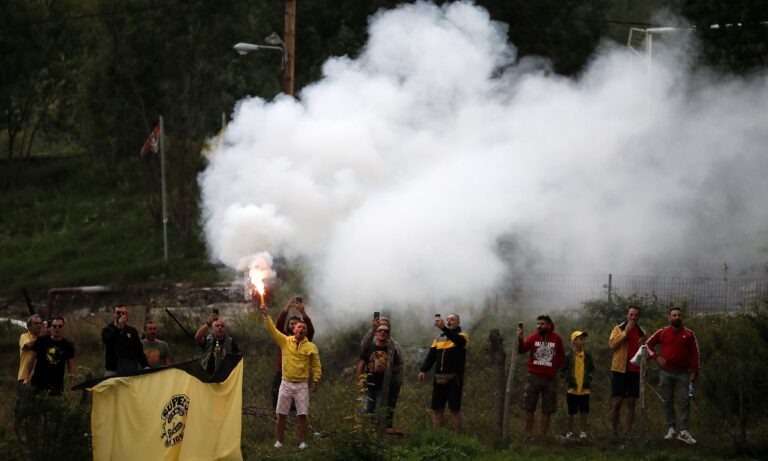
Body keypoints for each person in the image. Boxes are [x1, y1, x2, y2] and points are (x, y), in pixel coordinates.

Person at [260, 303, 321, 450]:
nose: (301, 329)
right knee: (282, 414)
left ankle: (302, 442)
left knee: (302, 414)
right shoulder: (285, 341)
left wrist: (315, 380)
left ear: (306, 332)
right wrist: (266, 315)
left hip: (302, 385)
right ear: (293, 330)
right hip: (286, 383)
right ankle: (279, 441)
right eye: (299, 327)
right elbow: (273, 330)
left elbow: (316, 365)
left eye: (304, 328)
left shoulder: (311, 347)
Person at [646, 307, 700, 444]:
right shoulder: (662, 332)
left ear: (682, 317)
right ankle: (671, 428)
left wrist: (694, 371)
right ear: (669, 318)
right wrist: (656, 357)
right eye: (674, 315)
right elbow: (647, 345)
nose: (677, 317)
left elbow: (695, 353)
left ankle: (684, 431)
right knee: (667, 400)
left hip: (684, 373)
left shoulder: (689, 334)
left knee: (685, 400)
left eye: (679, 315)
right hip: (666, 372)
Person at [418, 313, 469, 435]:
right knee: (437, 408)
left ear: (458, 322)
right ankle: (437, 437)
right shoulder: (438, 338)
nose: (449, 321)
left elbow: (459, 342)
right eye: (448, 319)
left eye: (452, 319)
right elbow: (431, 356)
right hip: (439, 377)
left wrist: (444, 329)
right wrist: (423, 370)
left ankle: (457, 438)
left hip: (454, 377)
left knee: (454, 408)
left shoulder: (462, 335)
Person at [518, 315, 565, 440]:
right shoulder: (533, 337)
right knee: (529, 407)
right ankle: (529, 435)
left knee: (547, 409)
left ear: (549, 325)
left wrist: (555, 369)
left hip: (550, 379)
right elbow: (521, 350)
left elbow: (561, 356)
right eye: (538, 323)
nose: (539, 326)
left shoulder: (557, 339)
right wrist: (520, 339)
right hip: (533, 377)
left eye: (542, 324)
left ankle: (543, 435)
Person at [271, 296, 315, 410]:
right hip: (282, 374)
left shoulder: (305, 339)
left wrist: (303, 312)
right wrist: (288, 307)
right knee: (278, 405)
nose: (294, 326)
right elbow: (278, 324)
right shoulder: (283, 338)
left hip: (299, 378)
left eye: (296, 324)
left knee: (298, 408)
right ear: (288, 326)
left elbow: (310, 330)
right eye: (291, 324)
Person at [608, 306, 646, 437]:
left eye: (636, 315)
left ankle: (627, 433)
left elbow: (644, 350)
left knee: (631, 402)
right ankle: (614, 431)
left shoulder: (642, 332)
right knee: (617, 402)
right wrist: (626, 333)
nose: (633, 317)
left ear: (638, 317)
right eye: (631, 314)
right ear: (627, 315)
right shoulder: (618, 328)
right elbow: (612, 345)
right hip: (619, 369)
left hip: (635, 370)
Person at [357, 323, 402, 428]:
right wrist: (361, 382)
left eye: (385, 331)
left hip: (383, 387)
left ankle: (376, 434)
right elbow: (361, 365)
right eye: (380, 330)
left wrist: (386, 369)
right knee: (365, 411)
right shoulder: (369, 348)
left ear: (388, 335)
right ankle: (363, 433)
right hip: (368, 385)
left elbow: (397, 368)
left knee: (378, 413)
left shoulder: (391, 350)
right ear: (376, 334)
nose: (382, 332)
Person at [23, 317, 76, 396]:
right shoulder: (41, 341)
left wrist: (72, 387)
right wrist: (27, 378)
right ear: (51, 328)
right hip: (38, 383)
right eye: (54, 326)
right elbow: (31, 360)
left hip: (56, 386)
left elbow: (72, 367)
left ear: (63, 328)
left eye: (60, 326)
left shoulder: (68, 345)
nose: (57, 328)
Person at [560, 331, 594, 440]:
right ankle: (569, 432)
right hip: (572, 389)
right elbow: (562, 370)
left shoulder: (587, 356)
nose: (583, 341)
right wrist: (567, 379)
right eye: (581, 339)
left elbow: (592, 369)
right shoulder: (568, 356)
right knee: (571, 412)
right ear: (574, 341)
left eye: (584, 339)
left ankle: (583, 432)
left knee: (584, 412)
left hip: (584, 389)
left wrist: (589, 378)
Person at [102, 305, 149, 376]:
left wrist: (145, 365)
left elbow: (138, 350)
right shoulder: (107, 329)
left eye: (123, 313)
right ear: (114, 314)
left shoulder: (132, 331)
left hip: (129, 369)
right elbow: (107, 341)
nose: (121, 315)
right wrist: (118, 328)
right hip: (113, 369)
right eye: (118, 313)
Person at [16, 315, 44, 416]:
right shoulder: (24, 336)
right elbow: (28, 346)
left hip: (39, 378)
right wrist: (42, 337)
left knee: (39, 409)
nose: (39, 325)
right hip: (25, 377)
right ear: (29, 326)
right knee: (25, 407)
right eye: (36, 323)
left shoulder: (44, 339)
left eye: (41, 323)